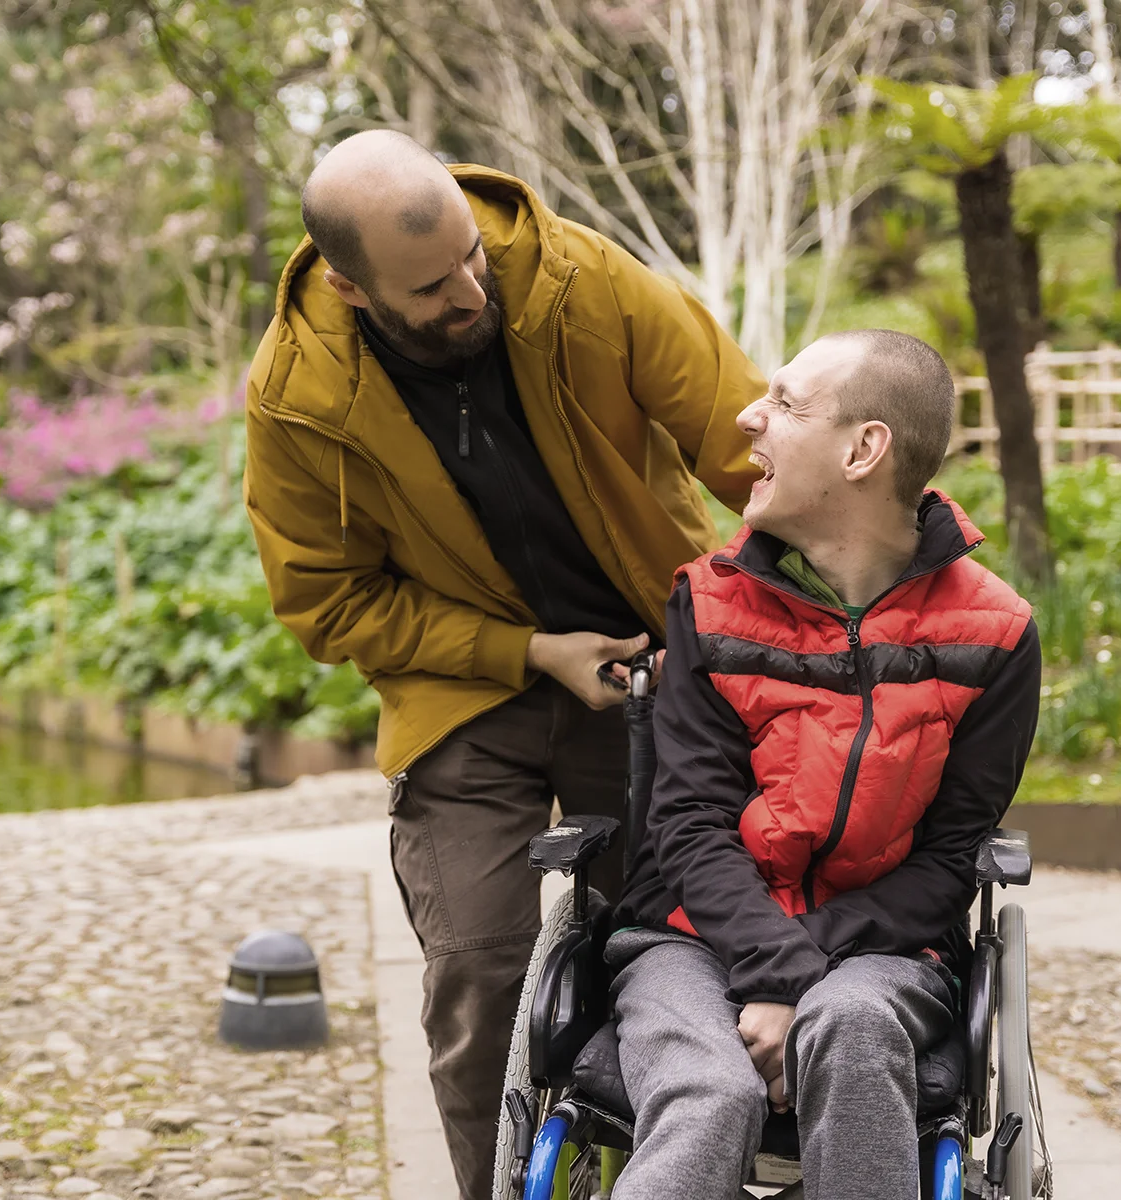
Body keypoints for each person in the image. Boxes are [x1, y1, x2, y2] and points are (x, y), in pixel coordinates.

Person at [241, 129, 764, 1200]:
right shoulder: (296, 397)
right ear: (349, 286)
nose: (471, 292)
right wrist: (524, 651)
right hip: (463, 693)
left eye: (473, 258)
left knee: (656, 953)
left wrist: (857, 572)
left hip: (650, 660)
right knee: (483, 973)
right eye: (431, 287)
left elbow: (749, 439)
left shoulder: (580, 280)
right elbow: (329, 601)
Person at [607, 329, 1043, 1200]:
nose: (748, 417)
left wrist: (801, 972)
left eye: (786, 404)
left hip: (883, 950)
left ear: (863, 449)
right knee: (709, 1089)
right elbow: (688, 823)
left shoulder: (994, 634)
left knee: (850, 1023)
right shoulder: (710, 599)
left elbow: (951, 858)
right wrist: (777, 970)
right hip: (689, 939)